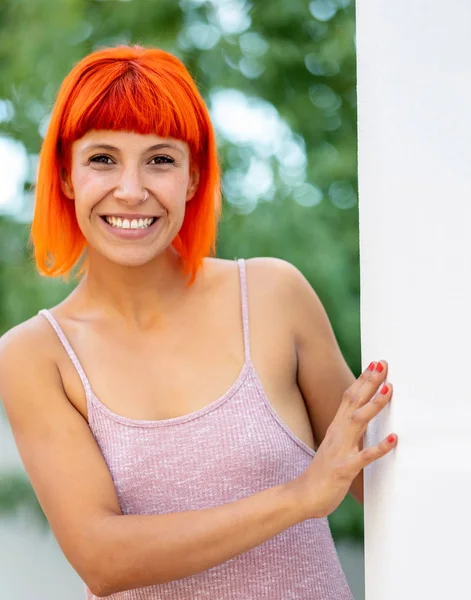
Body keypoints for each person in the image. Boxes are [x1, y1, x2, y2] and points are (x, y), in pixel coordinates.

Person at [0, 44, 397, 599]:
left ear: (192, 177)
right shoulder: (34, 355)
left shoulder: (273, 296)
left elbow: (383, 479)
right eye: (102, 159)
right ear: (66, 176)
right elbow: (102, 557)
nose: (132, 190)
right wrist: (300, 497)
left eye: (160, 159)